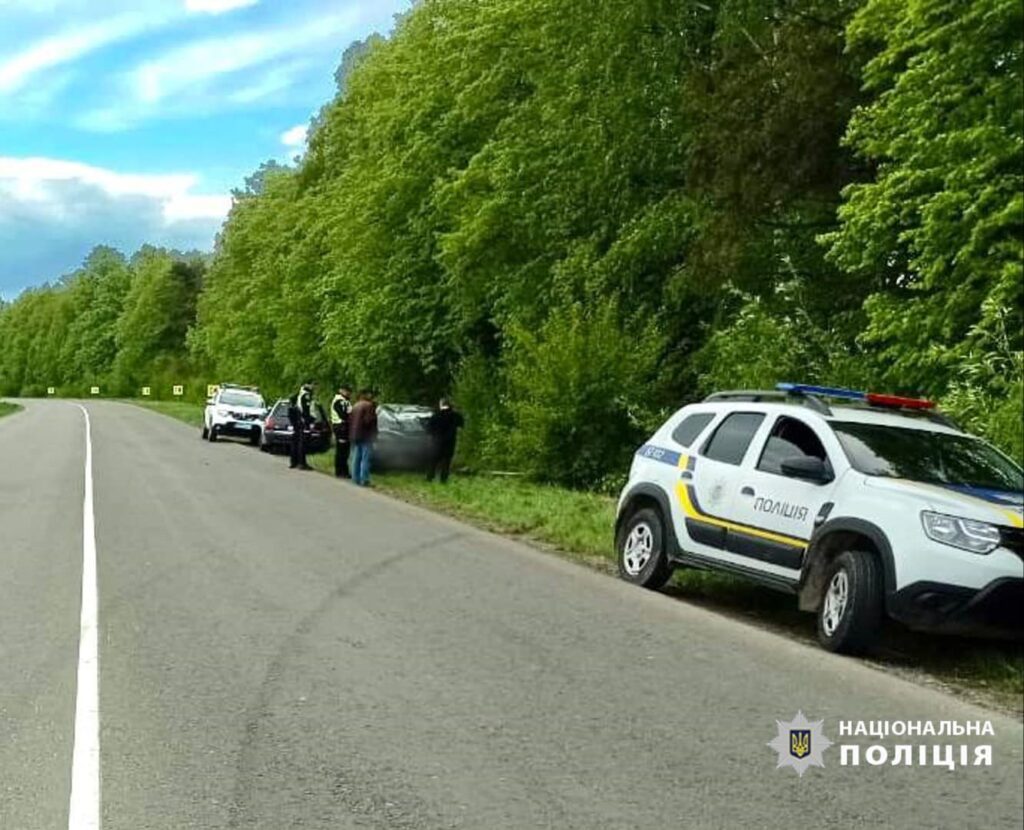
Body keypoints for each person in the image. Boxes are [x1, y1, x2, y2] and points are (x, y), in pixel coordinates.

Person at [426, 397, 464, 484]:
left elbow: (429, 429)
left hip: (437, 442)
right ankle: (443, 479)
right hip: (450, 442)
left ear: (441, 404)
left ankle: (430, 477)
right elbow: (461, 425)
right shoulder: (455, 415)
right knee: (446, 462)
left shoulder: (435, 415)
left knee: (434, 461)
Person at [348, 389, 378, 486]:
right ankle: (364, 479)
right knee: (366, 457)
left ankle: (355, 477)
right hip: (365, 435)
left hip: (355, 435)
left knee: (356, 457)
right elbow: (368, 421)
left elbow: (350, 420)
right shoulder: (369, 406)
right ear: (366, 395)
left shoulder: (355, 405)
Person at [289, 379, 316, 470]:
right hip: (304, 421)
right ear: (308, 384)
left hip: (298, 421)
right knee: (303, 443)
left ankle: (294, 461)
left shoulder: (299, 393)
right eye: (313, 384)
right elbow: (306, 409)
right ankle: (302, 463)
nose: (314, 387)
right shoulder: (306, 395)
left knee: (296, 441)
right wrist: (308, 420)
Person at [330, 385, 353, 478]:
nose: (348, 393)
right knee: (341, 450)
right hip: (340, 427)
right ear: (341, 390)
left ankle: (344, 471)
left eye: (349, 391)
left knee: (345, 450)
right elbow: (344, 415)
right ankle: (340, 471)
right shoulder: (339, 401)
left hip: (343, 427)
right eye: (346, 391)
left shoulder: (345, 401)